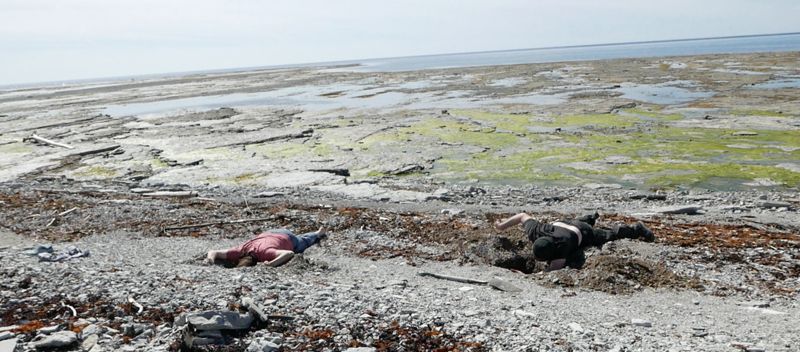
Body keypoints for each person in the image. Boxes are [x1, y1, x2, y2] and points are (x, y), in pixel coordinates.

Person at [494, 212, 654, 271]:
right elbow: (522, 215)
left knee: (608, 235)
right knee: (579, 222)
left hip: (584, 232)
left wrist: (543, 272)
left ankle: (637, 229)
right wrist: (501, 226)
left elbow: (557, 267)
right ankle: (590, 217)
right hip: (567, 222)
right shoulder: (536, 231)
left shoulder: (561, 248)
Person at [206, 227, 328, 267]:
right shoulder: (240, 250)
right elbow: (213, 252)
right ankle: (316, 233)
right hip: (270, 233)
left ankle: (318, 233)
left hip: (287, 237)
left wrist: (271, 264)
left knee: (302, 243)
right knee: (300, 239)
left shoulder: (265, 253)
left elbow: (289, 254)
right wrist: (211, 260)